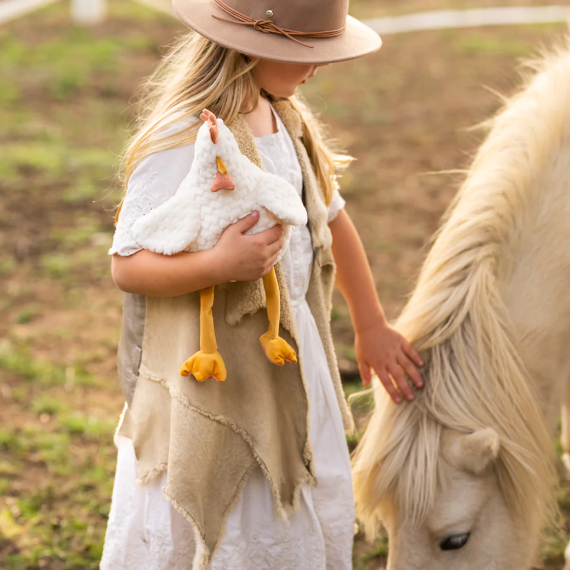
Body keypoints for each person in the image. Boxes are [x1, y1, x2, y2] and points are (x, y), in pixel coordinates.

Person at [100, 1, 423, 569]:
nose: (319, 67)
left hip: (292, 366)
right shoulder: (188, 136)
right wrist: (218, 265)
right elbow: (127, 265)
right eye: (307, 53)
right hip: (220, 383)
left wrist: (370, 323)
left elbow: (331, 220)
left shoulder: (287, 120)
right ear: (252, 47)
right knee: (233, 522)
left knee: (293, 510)